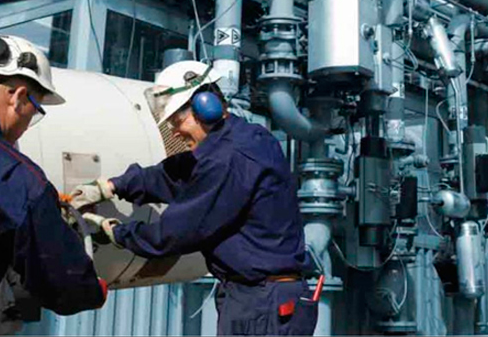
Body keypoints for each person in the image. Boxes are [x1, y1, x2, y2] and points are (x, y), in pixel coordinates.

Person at [70, 60, 318, 335]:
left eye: (177, 121)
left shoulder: (229, 158)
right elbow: (174, 174)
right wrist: (112, 186)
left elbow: (175, 234)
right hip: (261, 297)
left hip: (263, 302)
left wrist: (116, 233)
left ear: (205, 106)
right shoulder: (243, 139)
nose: (175, 132)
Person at [0, 34, 107, 335]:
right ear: (19, 97)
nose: (26, 126)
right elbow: (65, 287)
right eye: (34, 110)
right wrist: (93, 290)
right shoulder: (15, 176)